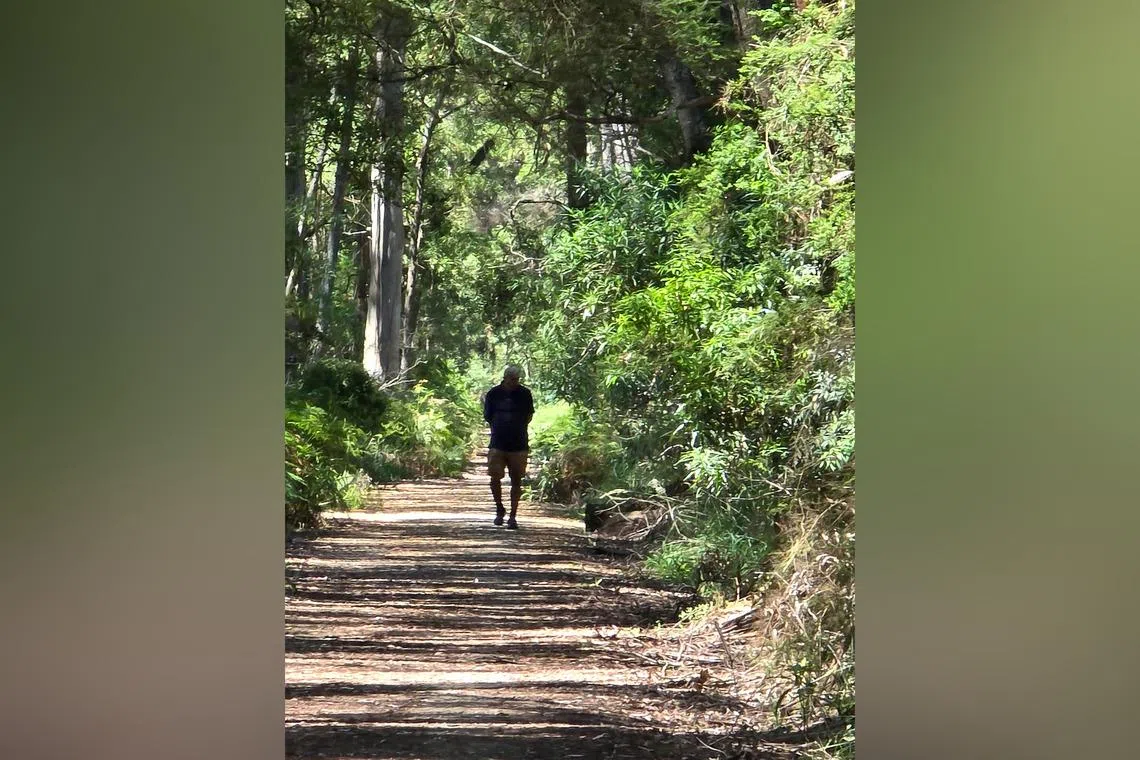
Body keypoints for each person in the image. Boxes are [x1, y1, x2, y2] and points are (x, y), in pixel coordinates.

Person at [483, 365, 534, 529]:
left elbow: (529, 415)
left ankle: (513, 515)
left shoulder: (525, 394)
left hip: (519, 444)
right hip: (498, 443)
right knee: (494, 477)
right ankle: (499, 508)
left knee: (516, 480)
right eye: (512, 379)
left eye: (517, 379)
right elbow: (488, 416)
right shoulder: (493, 394)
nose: (514, 382)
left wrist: (517, 427)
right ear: (505, 378)